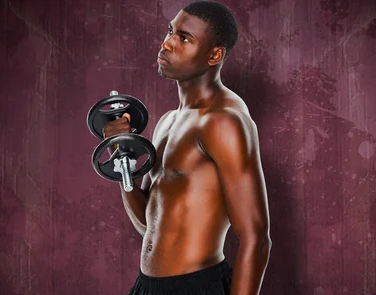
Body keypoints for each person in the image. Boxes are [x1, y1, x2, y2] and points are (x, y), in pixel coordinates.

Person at [103, 1, 271, 294]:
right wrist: (122, 155)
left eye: (184, 38)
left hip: (196, 286)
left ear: (214, 54)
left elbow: (256, 238)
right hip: (146, 286)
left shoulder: (223, 121)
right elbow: (149, 224)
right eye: (170, 31)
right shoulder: (168, 121)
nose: (166, 44)